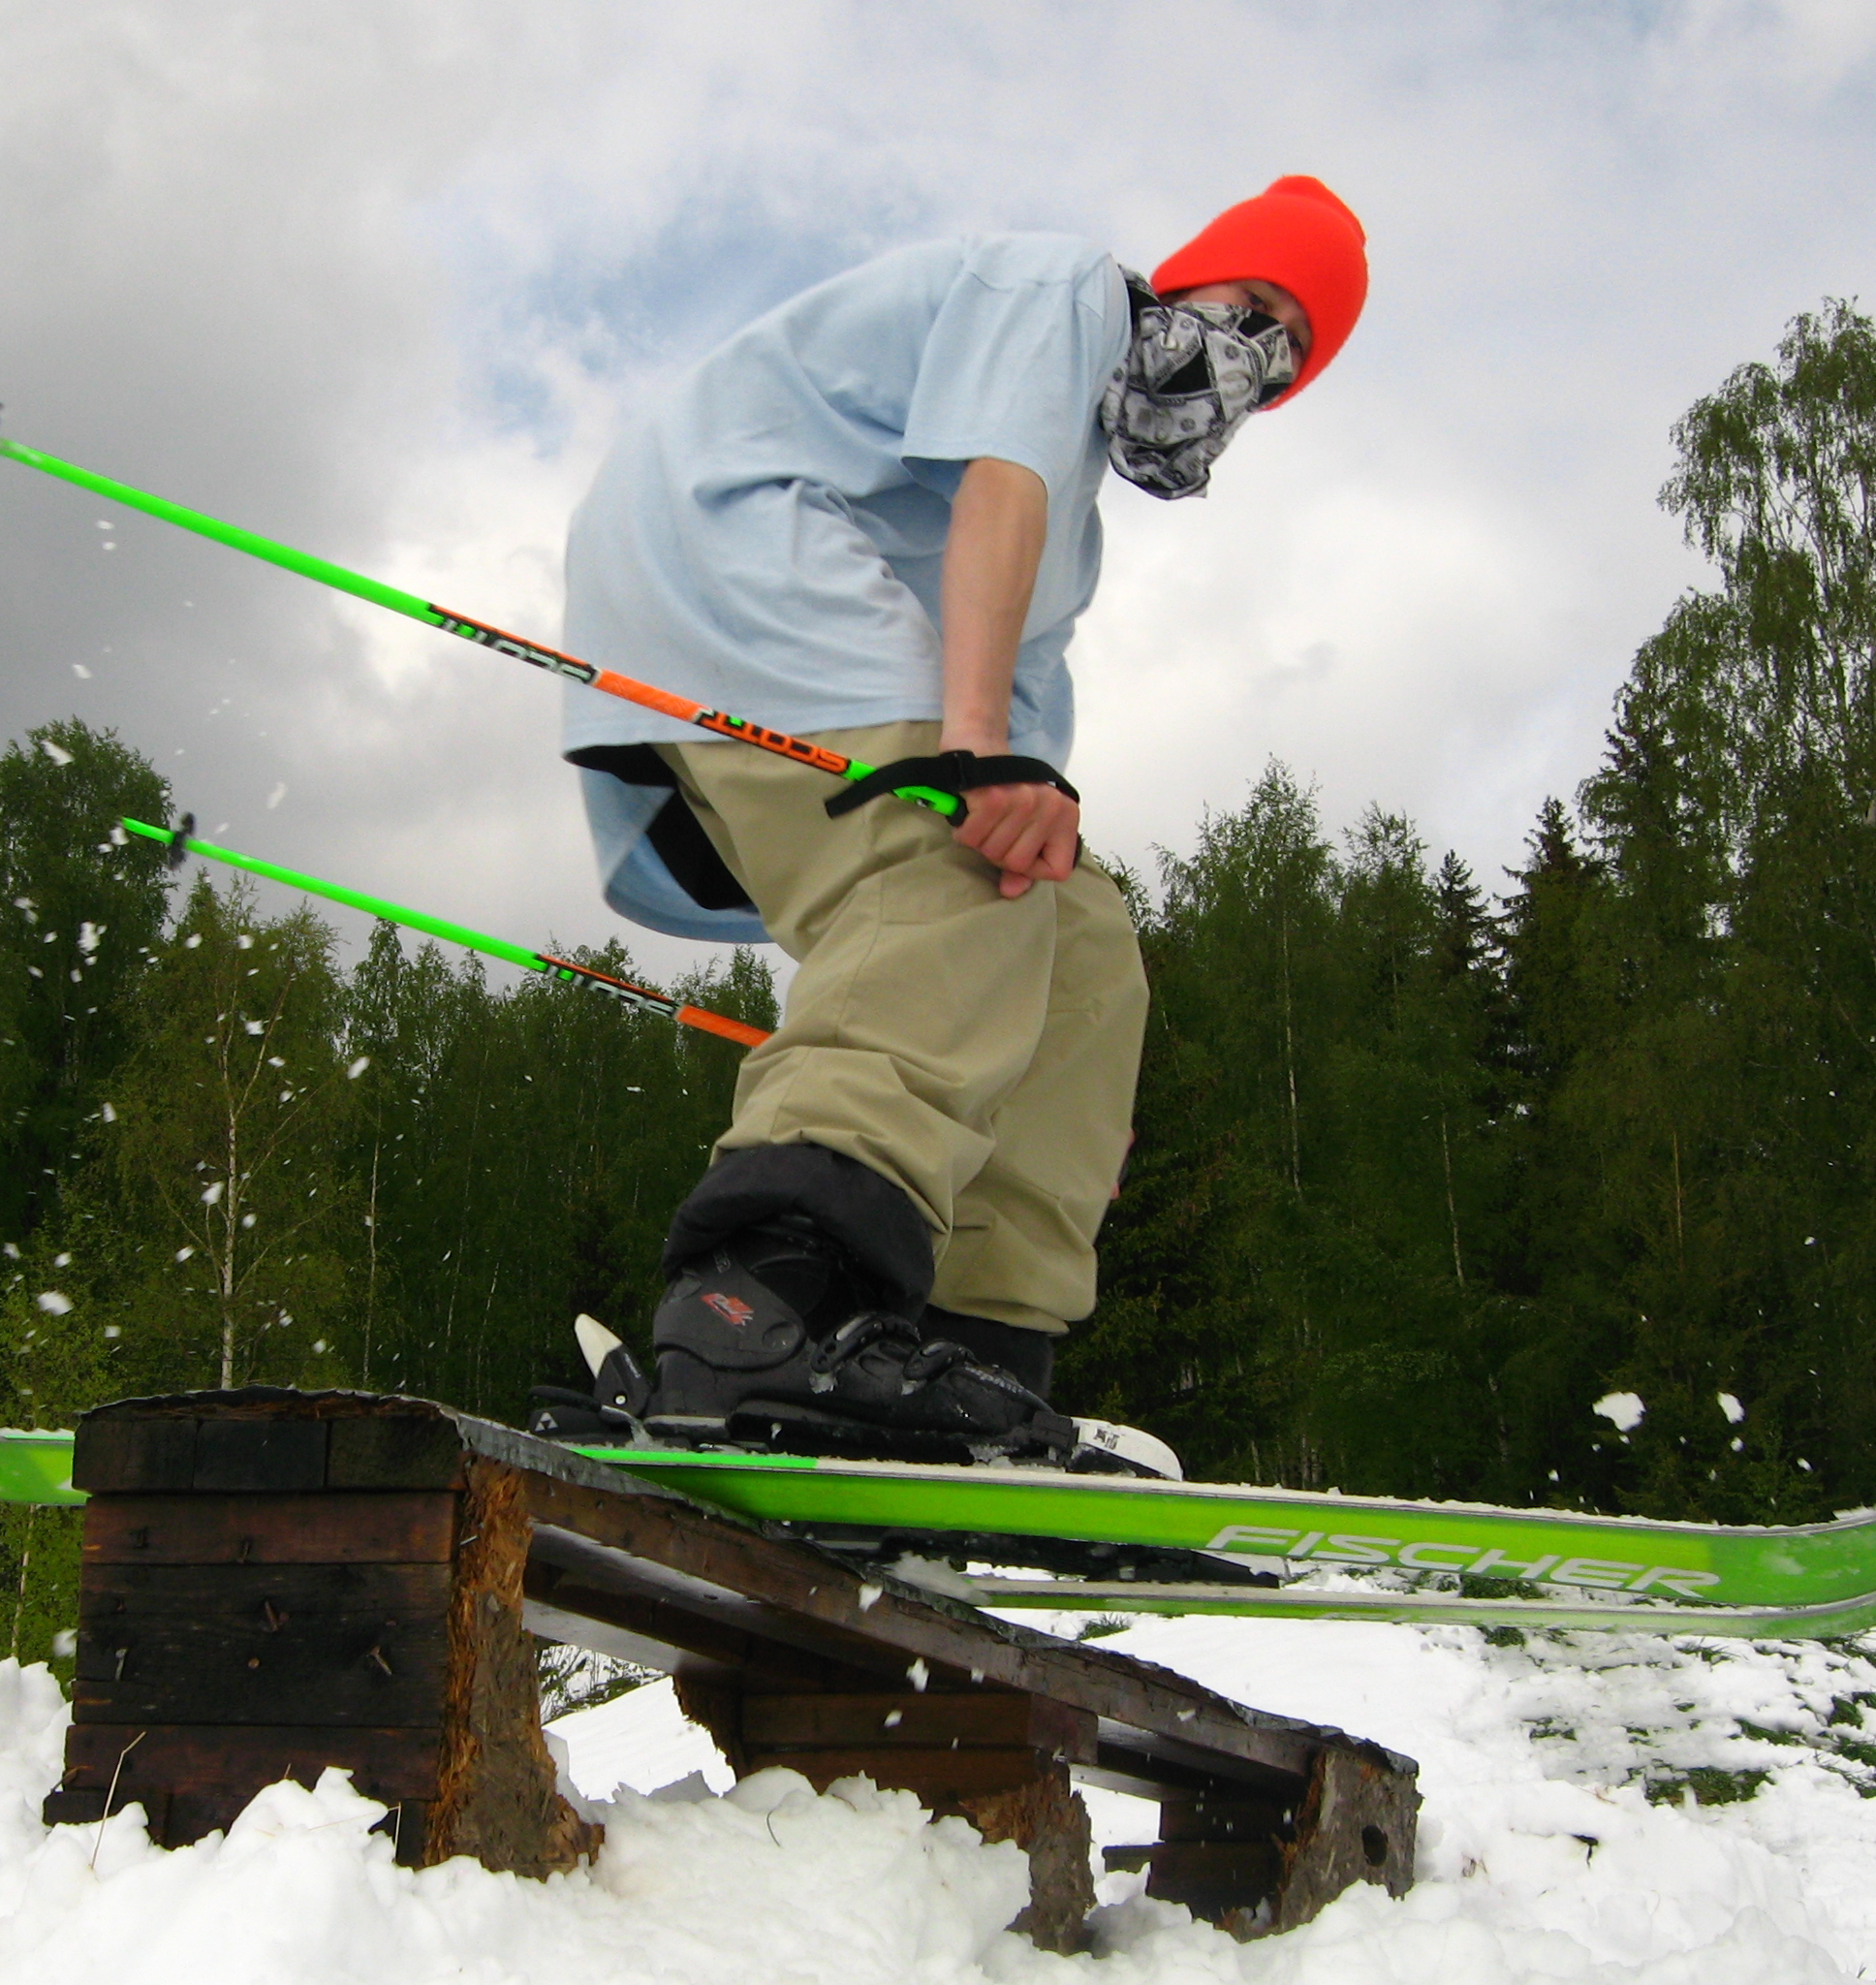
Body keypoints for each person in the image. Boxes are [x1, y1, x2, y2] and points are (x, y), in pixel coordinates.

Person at [559, 176, 1368, 1460]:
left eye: (1284, 363)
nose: (1253, 360)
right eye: (1253, 307)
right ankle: (761, 1301)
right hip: (744, 552)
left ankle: (971, 1361)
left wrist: (1052, 1051)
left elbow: (1031, 785)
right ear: (1190, 270)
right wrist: (979, 753)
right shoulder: (1062, 294)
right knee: (949, 856)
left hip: (821, 628)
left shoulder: (1075, 540)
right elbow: (997, 489)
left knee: (1071, 935)